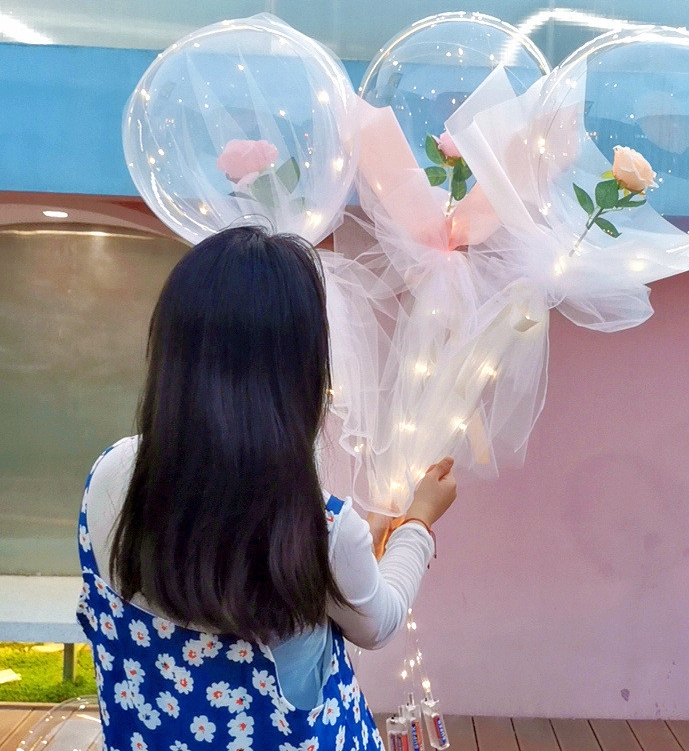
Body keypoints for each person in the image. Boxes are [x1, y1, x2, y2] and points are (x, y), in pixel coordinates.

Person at [76, 226, 457, 751]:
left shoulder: (110, 473)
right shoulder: (321, 529)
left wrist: (352, 543)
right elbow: (379, 621)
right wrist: (418, 522)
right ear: (301, 376)